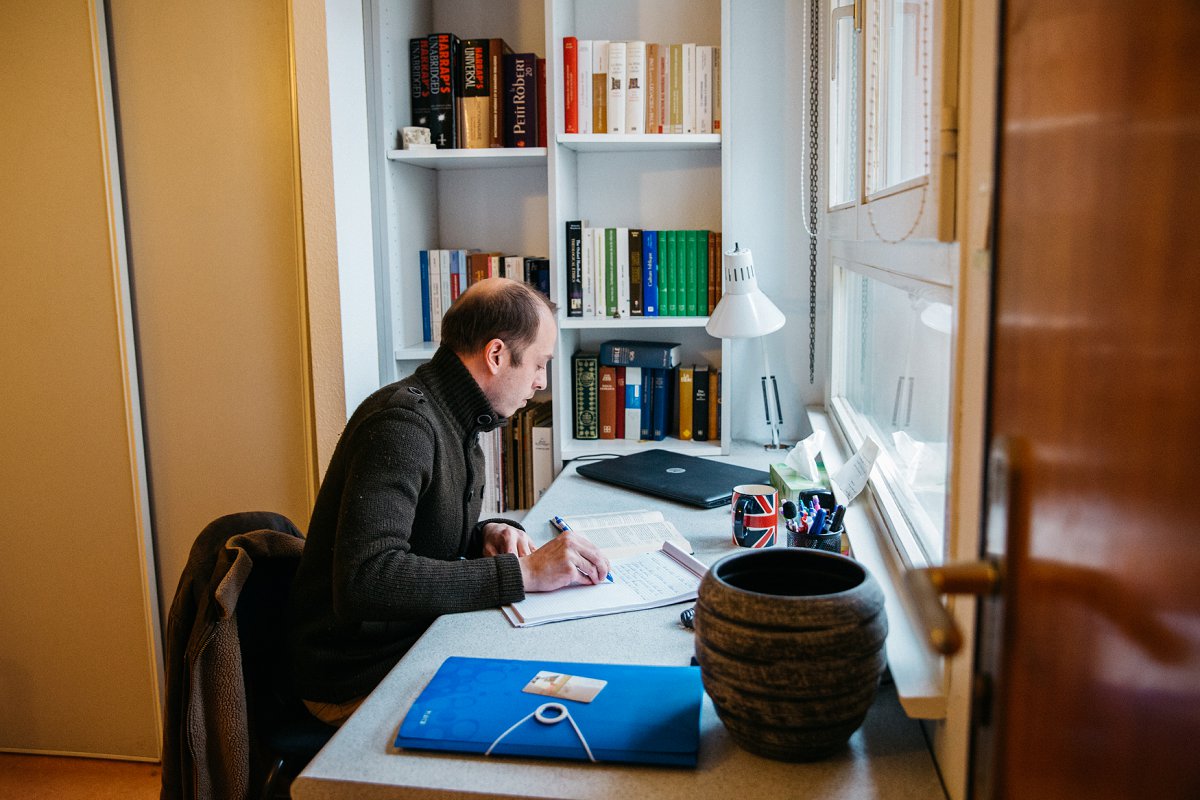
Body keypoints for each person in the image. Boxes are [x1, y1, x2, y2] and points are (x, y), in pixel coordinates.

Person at [288, 278, 609, 725]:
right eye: (540, 363)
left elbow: (424, 537)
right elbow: (366, 579)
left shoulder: (458, 422)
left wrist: (487, 535)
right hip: (355, 677)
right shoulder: (402, 425)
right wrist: (524, 572)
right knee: (559, 713)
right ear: (497, 355)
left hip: (411, 640)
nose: (540, 382)